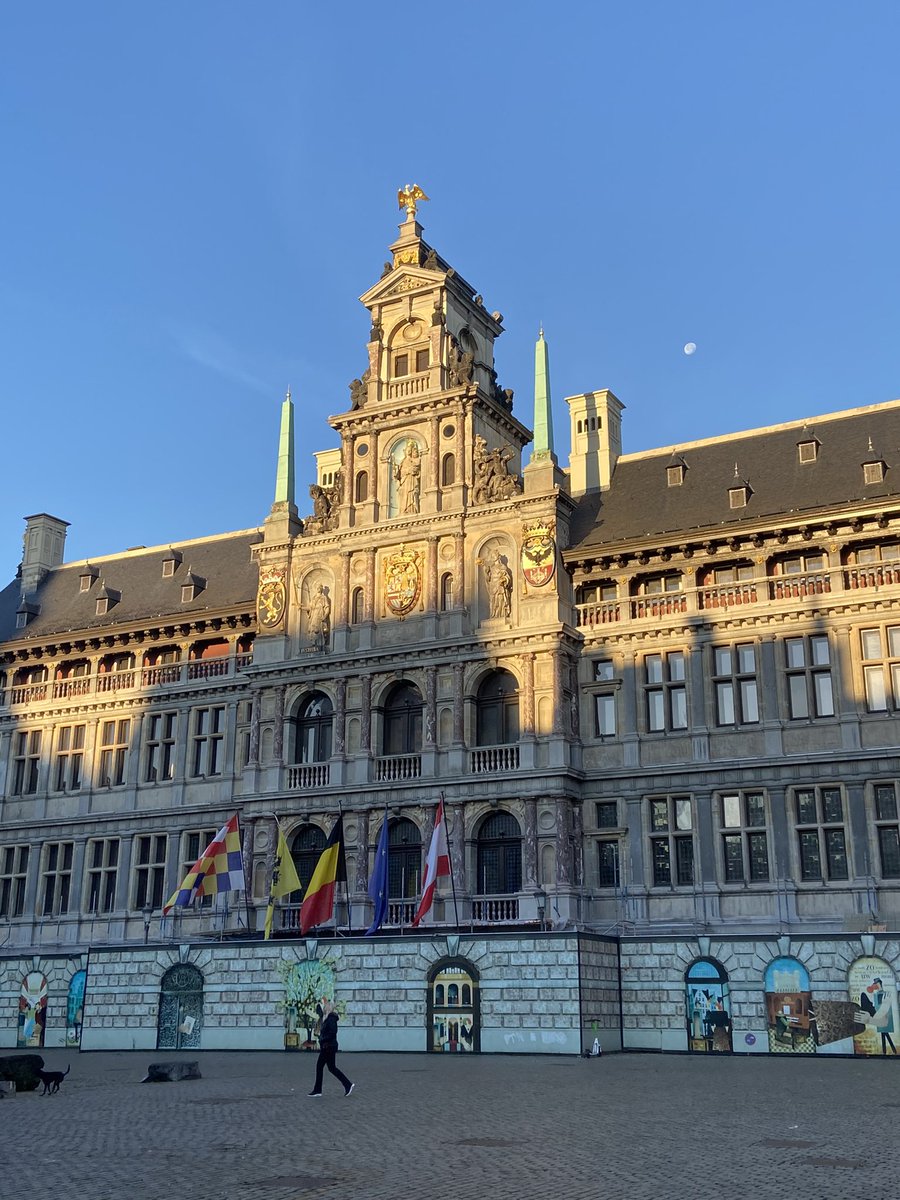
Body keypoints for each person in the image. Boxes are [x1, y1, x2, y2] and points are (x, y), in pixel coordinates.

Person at [308, 999, 354, 1097]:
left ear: (328, 1008)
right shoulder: (327, 1018)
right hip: (329, 1046)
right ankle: (347, 1084)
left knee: (320, 1066)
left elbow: (332, 1033)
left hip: (328, 1046)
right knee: (332, 1068)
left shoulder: (331, 1019)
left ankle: (318, 1090)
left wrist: (322, 1039)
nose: (324, 1008)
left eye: (325, 1007)